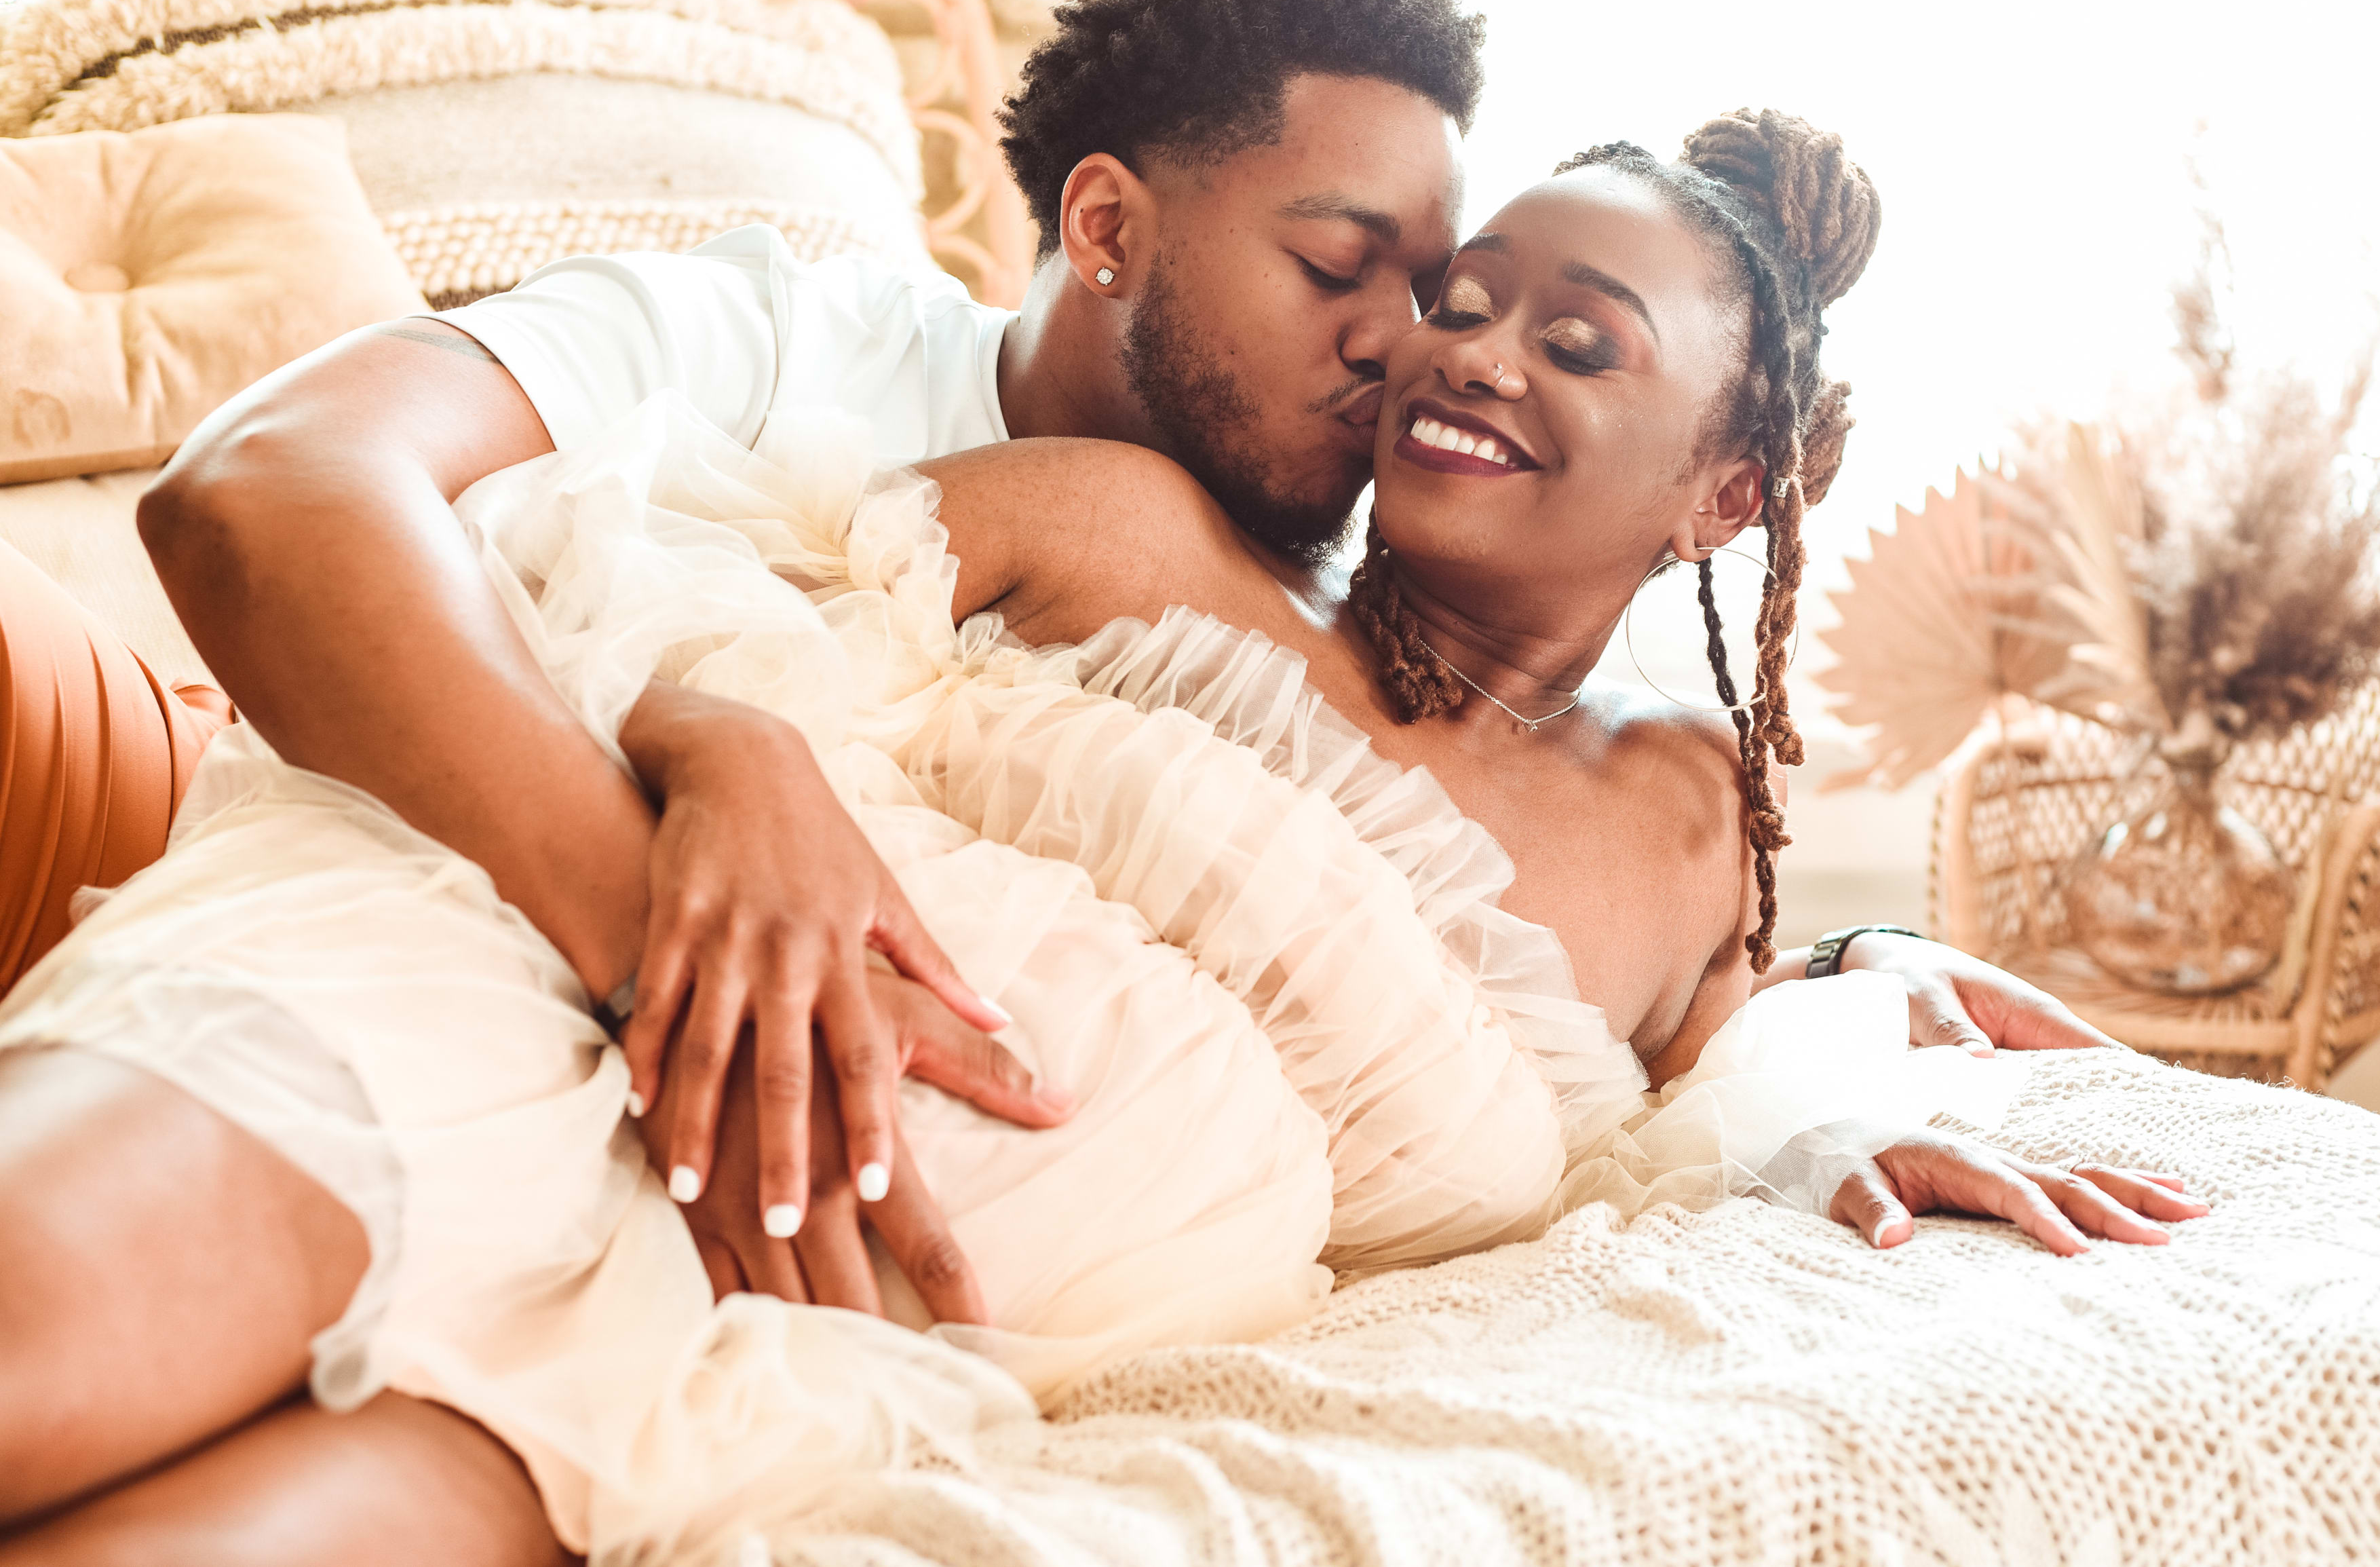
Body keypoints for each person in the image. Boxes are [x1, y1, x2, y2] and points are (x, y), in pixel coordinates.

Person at [0, 101, 2204, 1566]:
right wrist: (713, 734)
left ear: (1728, 493)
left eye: (1580, 336)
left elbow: (1721, 1076)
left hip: (793, 1339)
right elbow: (651, 566)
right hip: (529, 1039)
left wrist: (1857, 1054)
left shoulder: (1681, 837)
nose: (1474, 348)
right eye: (1464, 289)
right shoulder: (1142, 532)